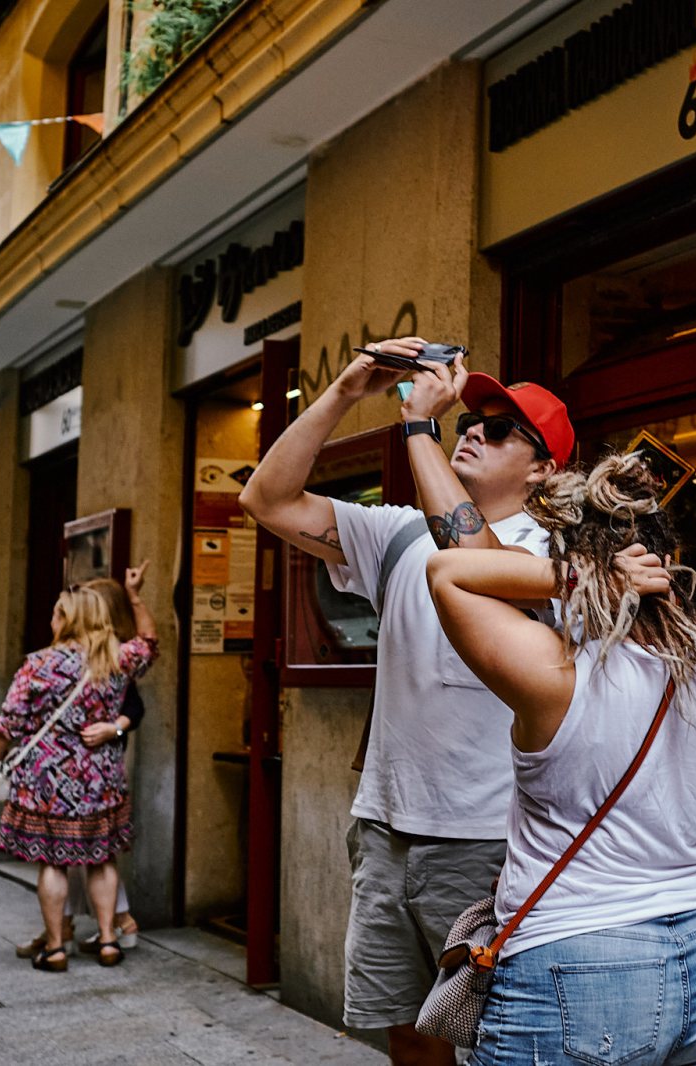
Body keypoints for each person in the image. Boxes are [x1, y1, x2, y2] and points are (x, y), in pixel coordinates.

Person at [239, 338, 575, 1065]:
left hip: (489, 836)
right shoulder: (395, 533)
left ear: (545, 467)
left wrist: (421, 429)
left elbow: (478, 564)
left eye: (498, 429)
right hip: (387, 826)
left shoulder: (554, 554)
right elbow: (265, 500)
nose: (473, 433)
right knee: (406, 1029)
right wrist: (343, 391)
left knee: (490, 1037)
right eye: (467, 424)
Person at [424, 452, 696, 1064]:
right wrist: (670, 814)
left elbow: (447, 571)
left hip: (576, 959)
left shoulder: (556, 674)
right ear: (667, 562)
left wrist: (576, 578)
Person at [0, 563, 157, 971]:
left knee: (53, 861)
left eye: (58, 611)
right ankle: (110, 940)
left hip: (48, 782)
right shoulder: (118, 660)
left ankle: (56, 947)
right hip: (101, 778)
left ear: (70, 618)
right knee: (102, 859)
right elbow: (150, 639)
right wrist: (134, 596)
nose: (51, 618)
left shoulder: (39, 664)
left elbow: (8, 725)